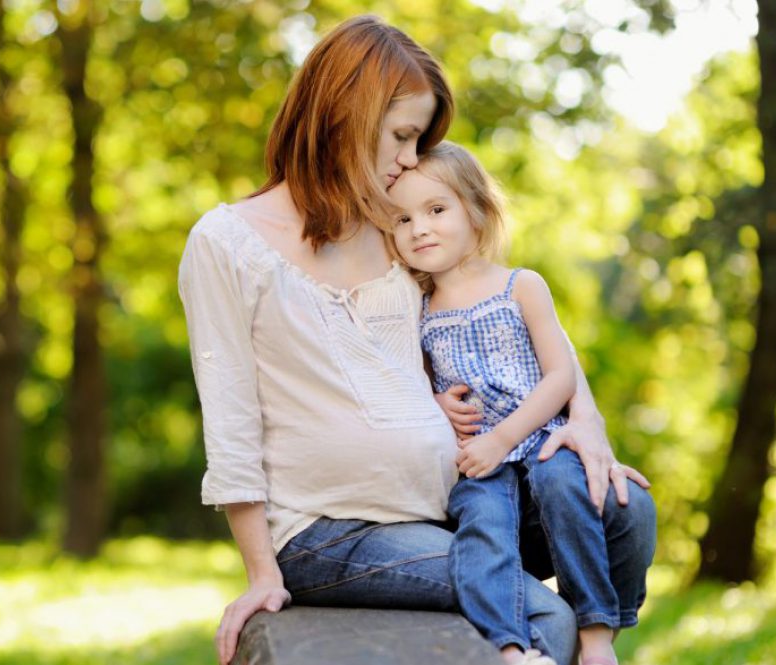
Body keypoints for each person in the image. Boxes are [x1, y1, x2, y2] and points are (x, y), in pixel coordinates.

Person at [176, 15, 655, 665]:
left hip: (455, 500)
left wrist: (587, 419)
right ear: (347, 111)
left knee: (620, 509)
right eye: (402, 135)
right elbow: (230, 422)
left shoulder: (395, 229)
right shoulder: (227, 242)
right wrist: (262, 572)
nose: (410, 158)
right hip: (331, 529)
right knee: (540, 612)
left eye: (419, 139)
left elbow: (519, 313)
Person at [389, 141, 623, 665]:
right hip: (478, 459)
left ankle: (595, 635)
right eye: (401, 219)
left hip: (538, 437)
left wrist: (504, 437)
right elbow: (414, 386)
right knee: (481, 533)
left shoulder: (522, 286)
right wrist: (438, 403)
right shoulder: (417, 307)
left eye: (436, 210)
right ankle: (511, 647)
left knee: (569, 494)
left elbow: (560, 375)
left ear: (476, 210)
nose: (419, 228)